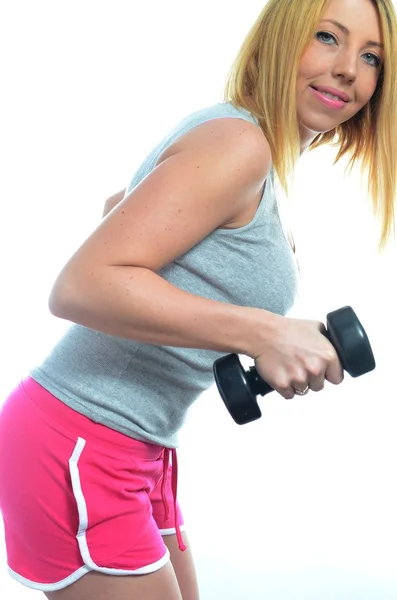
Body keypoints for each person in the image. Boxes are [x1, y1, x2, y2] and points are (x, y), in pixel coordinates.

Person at [0, 0, 396, 598]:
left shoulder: (243, 148)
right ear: (277, 40)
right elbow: (80, 285)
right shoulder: (240, 143)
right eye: (327, 37)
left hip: (141, 450)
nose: (348, 69)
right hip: (82, 437)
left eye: (371, 57)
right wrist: (262, 332)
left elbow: (119, 212)